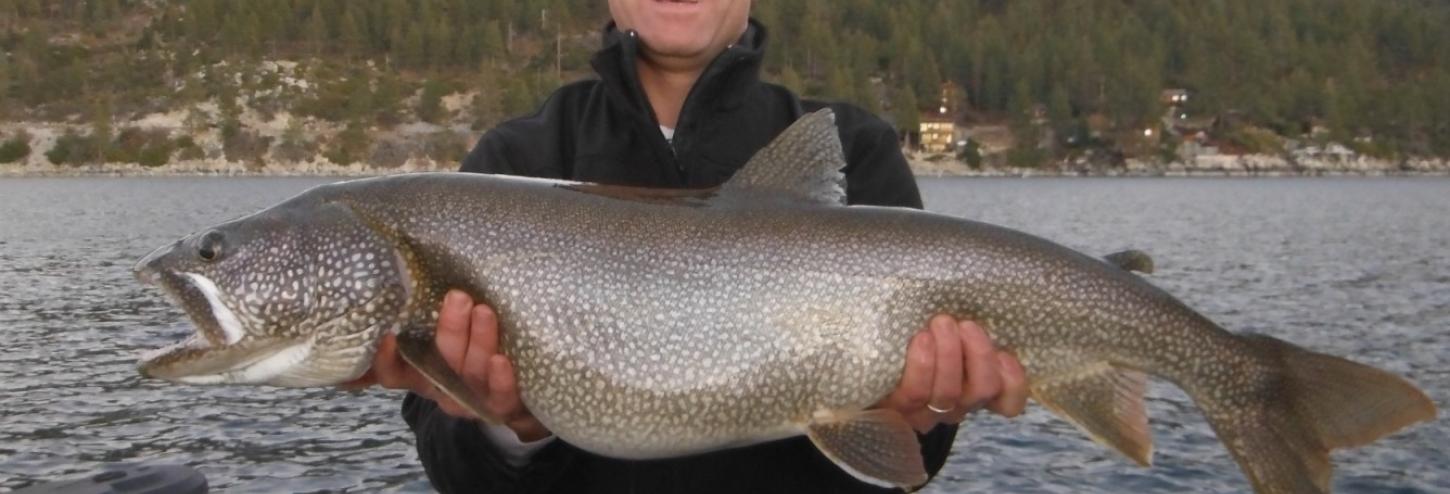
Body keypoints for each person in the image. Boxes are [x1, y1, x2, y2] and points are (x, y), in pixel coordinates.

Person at [345, 1, 1028, 492]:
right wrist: (512, 426)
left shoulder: (858, 151)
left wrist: (929, 417)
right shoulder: (511, 162)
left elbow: (912, 462)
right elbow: (456, 474)